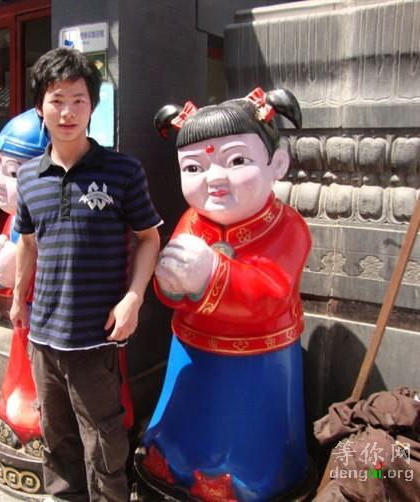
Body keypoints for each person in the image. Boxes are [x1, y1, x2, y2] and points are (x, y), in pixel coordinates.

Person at [138, 88, 311, 501]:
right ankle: (175, 461)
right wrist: (172, 283)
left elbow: (272, 293)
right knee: (184, 415)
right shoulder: (192, 219)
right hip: (191, 347)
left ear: (277, 164)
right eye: (194, 167)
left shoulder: (287, 226)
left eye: (236, 161)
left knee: (246, 429)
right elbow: (172, 287)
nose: (214, 179)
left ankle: (244, 478)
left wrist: (211, 274)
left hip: (258, 359)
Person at [10, 47, 162, 502]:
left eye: (78, 100)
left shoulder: (122, 170)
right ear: (40, 107)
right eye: (56, 100)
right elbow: (27, 242)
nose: (68, 112)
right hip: (43, 336)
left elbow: (149, 238)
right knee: (57, 438)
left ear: (92, 105)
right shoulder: (28, 177)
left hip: (95, 337)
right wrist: (18, 298)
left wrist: (134, 298)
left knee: (103, 441)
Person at [0, 108, 48, 458]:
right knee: (20, 382)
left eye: (14, 172)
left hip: (55, 330)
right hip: (24, 326)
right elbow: (4, 278)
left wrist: (17, 277)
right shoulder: (14, 220)